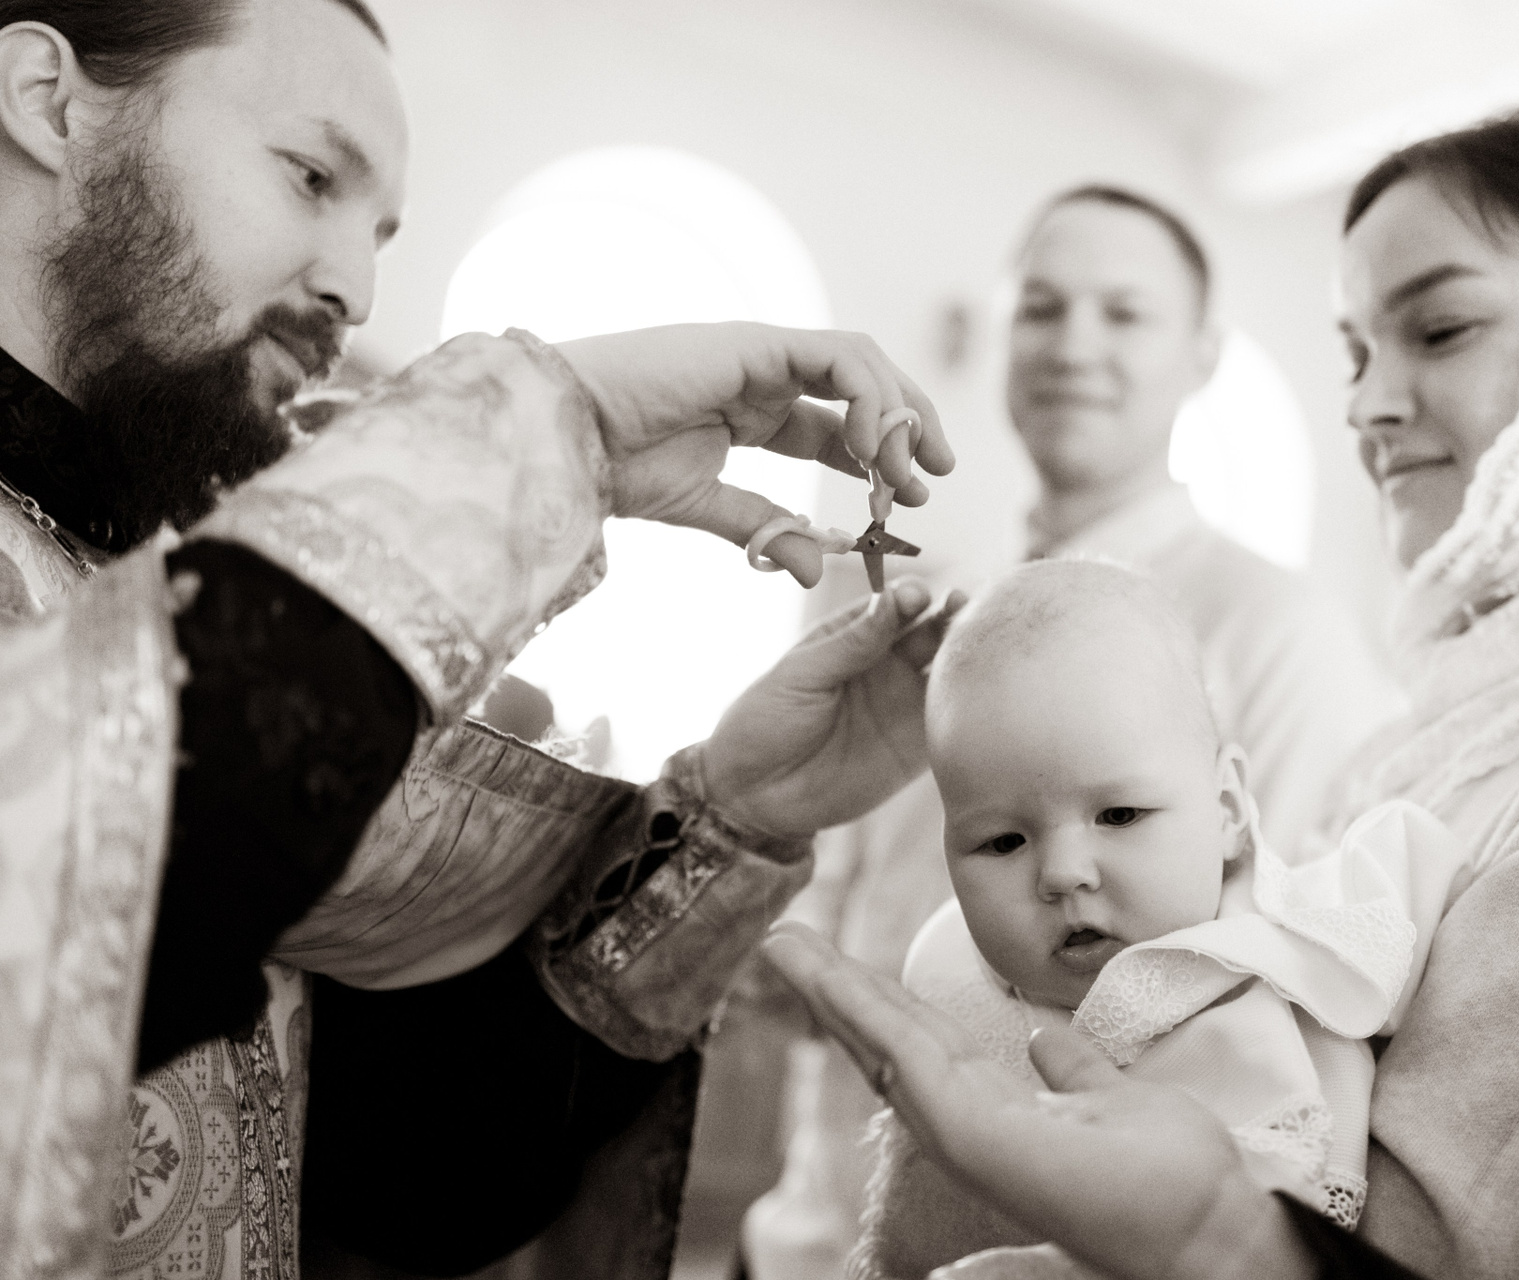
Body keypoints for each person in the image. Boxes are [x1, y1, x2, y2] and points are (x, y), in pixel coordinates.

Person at [761, 104, 1519, 1279]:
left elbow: (1477, 1226)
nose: (1365, 406)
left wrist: (1203, 1218)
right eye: (1356, 355)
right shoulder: (1451, 722)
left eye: (1441, 329)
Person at [0, 1, 961, 1277]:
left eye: (379, 232)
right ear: (46, 99)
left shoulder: (171, 574)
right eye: (311, 176)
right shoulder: (229, 641)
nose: (354, 291)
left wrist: (733, 810)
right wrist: (540, 428)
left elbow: (406, 1180)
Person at [742, 185, 1400, 1280]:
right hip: (810, 1228)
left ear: (1202, 353)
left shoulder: (1282, 633)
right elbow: (837, 885)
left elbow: (1268, 959)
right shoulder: (934, 605)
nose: (1073, 345)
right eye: (1041, 308)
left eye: (1124, 312)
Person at [850, 561, 1456, 1280]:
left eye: (1119, 815)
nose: (1062, 872)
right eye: (1003, 842)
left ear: (1227, 809)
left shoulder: (1287, 940)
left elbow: (1418, 884)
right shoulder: (951, 966)